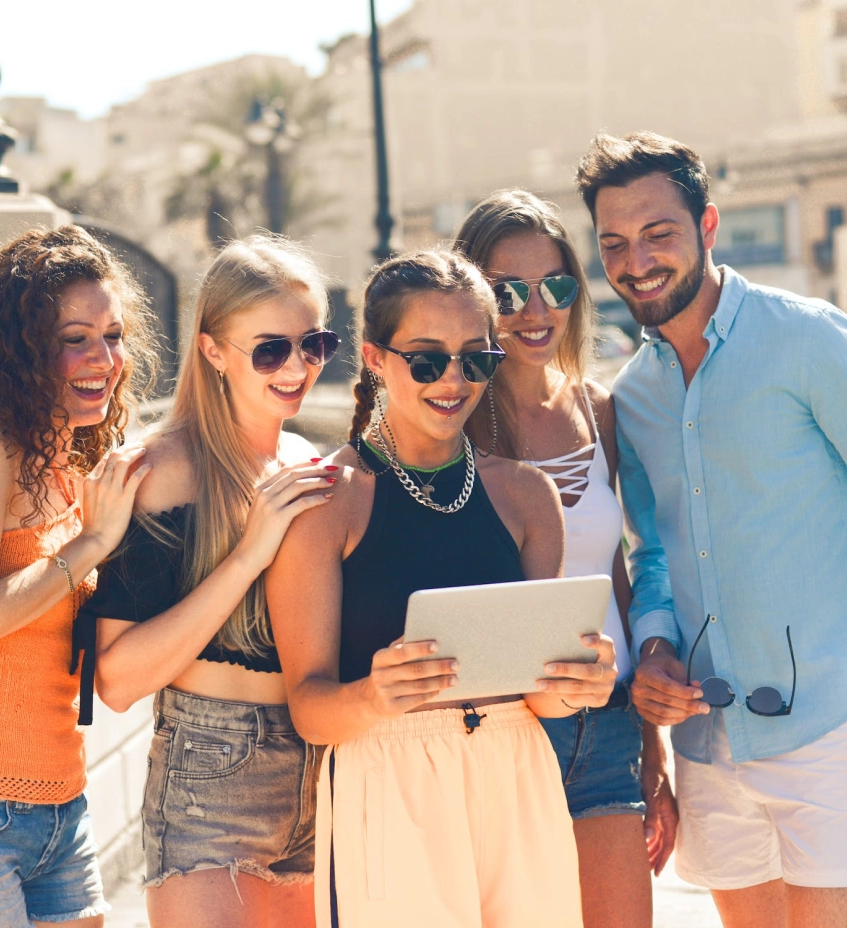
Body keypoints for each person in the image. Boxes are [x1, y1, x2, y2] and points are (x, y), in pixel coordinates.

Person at [266, 249, 619, 928]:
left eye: (474, 359)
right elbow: (310, 710)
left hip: (518, 772)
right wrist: (373, 694)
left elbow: (541, 697)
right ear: (375, 358)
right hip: (387, 776)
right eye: (426, 359)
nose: (452, 380)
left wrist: (579, 682)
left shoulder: (526, 495)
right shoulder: (326, 502)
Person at [576, 130, 847, 928]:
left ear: (708, 225)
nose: (637, 261)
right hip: (706, 739)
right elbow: (650, 552)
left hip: (827, 725)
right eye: (615, 243)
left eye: (659, 233)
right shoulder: (630, 397)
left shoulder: (806, 339)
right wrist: (654, 644)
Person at [80, 235, 339, 928]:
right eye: (270, 349)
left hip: (321, 768)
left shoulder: (306, 457)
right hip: (210, 777)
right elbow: (118, 680)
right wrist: (249, 554)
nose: (297, 367)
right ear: (213, 349)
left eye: (313, 344)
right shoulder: (160, 470)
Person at [452, 188, 678, 928]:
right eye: (507, 291)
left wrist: (652, 747)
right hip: (500, 731)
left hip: (606, 721)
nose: (534, 310)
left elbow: (614, 574)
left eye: (554, 285)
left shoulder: (596, 408)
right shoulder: (448, 425)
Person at [0, 225, 156, 928]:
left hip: (61, 800)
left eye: (112, 336)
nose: (102, 358)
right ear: (22, 350)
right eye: (74, 337)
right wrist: (91, 543)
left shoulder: (70, 457)